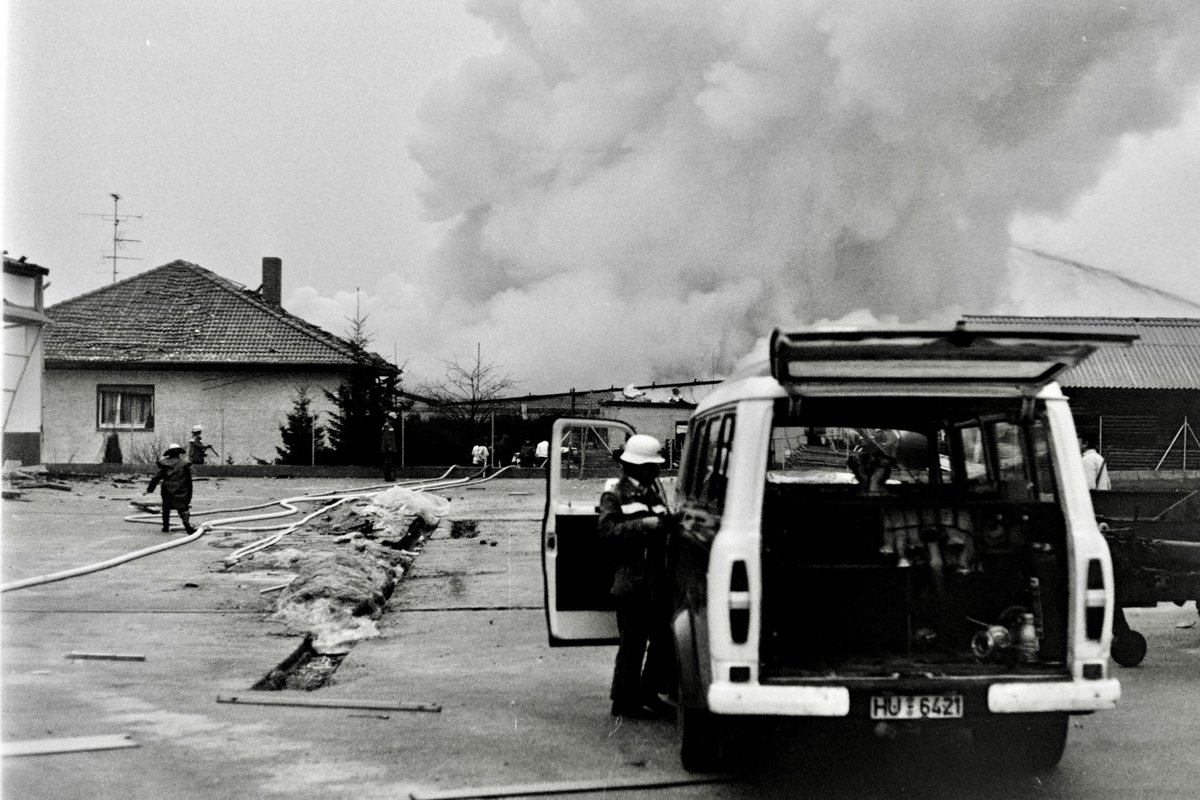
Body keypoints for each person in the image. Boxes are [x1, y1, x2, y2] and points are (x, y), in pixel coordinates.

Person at [597, 434, 675, 720]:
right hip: (632, 580)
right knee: (633, 644)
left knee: (664, 639)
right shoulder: (614, 495)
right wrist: (643, 525)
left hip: (655, 581)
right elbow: (606, 533)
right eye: (653, 466)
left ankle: (648, 693)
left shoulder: (652, 493)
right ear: (640, 467)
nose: (657, 470)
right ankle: (624, 701)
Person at [146, 443, 197, 534]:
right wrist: (189, 493)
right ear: (179, 453)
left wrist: (149, 490)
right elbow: (189, 481)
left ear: (169, 453)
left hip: (167, 489)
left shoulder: (164, 464)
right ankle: (187, 525)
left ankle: (166, 527)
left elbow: (156, 477)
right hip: (181, 489)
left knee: (166, 508)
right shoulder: (184, 464)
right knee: (182, 508)